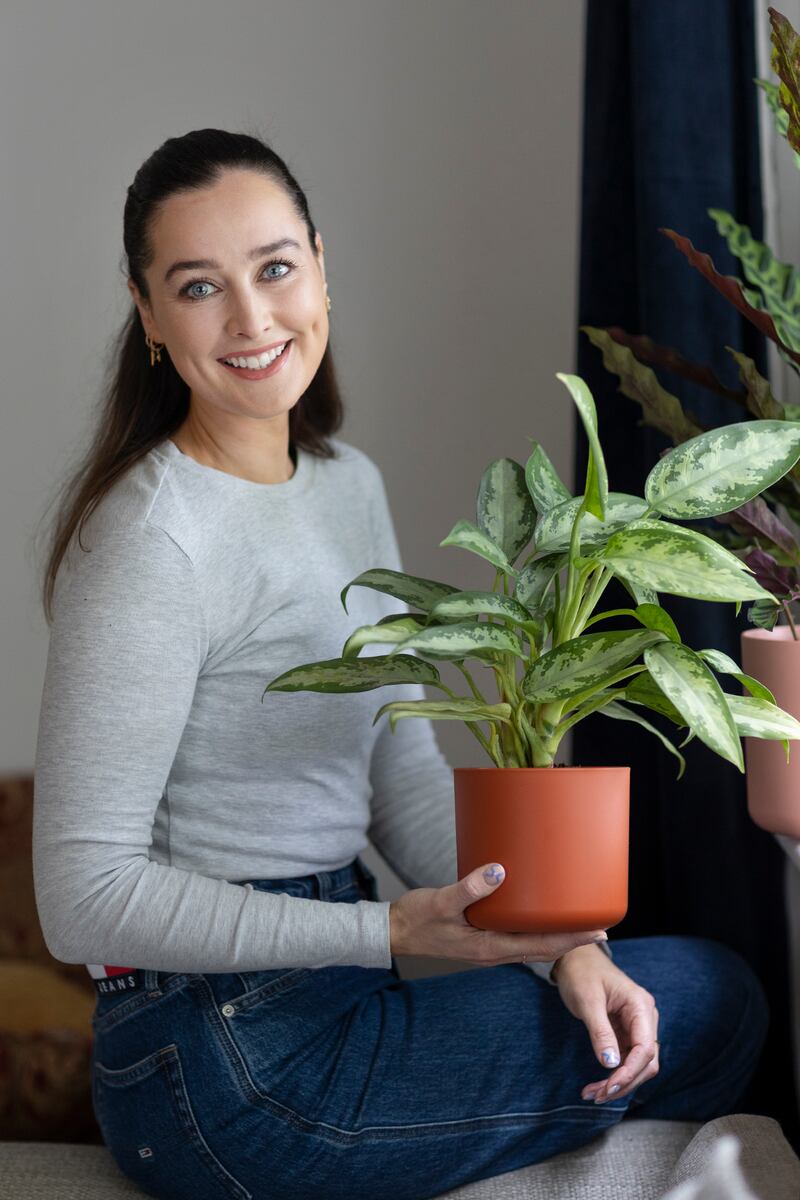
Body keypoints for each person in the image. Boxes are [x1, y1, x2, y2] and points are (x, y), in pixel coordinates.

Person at [32, 128, 769, 1200]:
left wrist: (554, 947)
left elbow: (398, 777)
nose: (250, 320)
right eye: (199, 287)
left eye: (275, 269)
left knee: (679, 986)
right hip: (210, 1052)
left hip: (336, 984)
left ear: (321, 268)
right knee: (718, 997)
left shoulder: (343, 483)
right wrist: (380, 929)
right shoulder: (152, 538)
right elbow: (82, 896)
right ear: (148, 316)